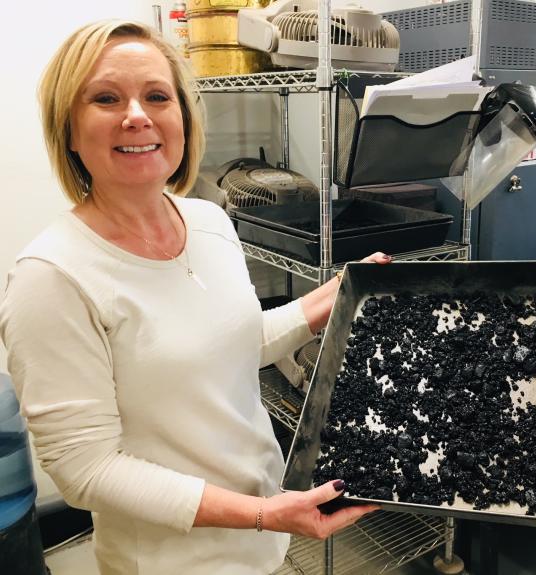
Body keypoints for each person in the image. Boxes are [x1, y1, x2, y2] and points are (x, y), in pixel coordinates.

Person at [0, 20, 389, 575]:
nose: (137, 114)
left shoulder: (207, 220)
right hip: (170, 559)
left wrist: (334, 298)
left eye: (157, 96)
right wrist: (261, 514)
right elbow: (87, 470)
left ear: (182, 116)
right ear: (67, 128)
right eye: (106, 98)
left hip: (262, 535)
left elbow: (232, 343)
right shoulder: (52, 277)